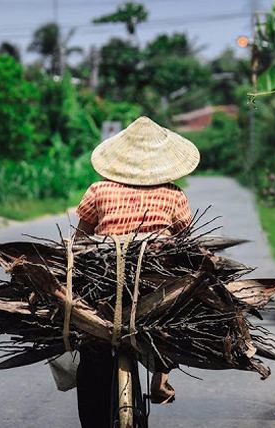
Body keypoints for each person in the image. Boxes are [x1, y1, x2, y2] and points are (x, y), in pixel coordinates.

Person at [74, 116, 200, 428]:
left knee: (91, 354)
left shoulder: (98, 190)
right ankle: (160, 378)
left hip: (102, 289)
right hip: (153, 288)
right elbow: (186, 245)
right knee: (174, 314)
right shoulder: (174, 195)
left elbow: (79, 243)